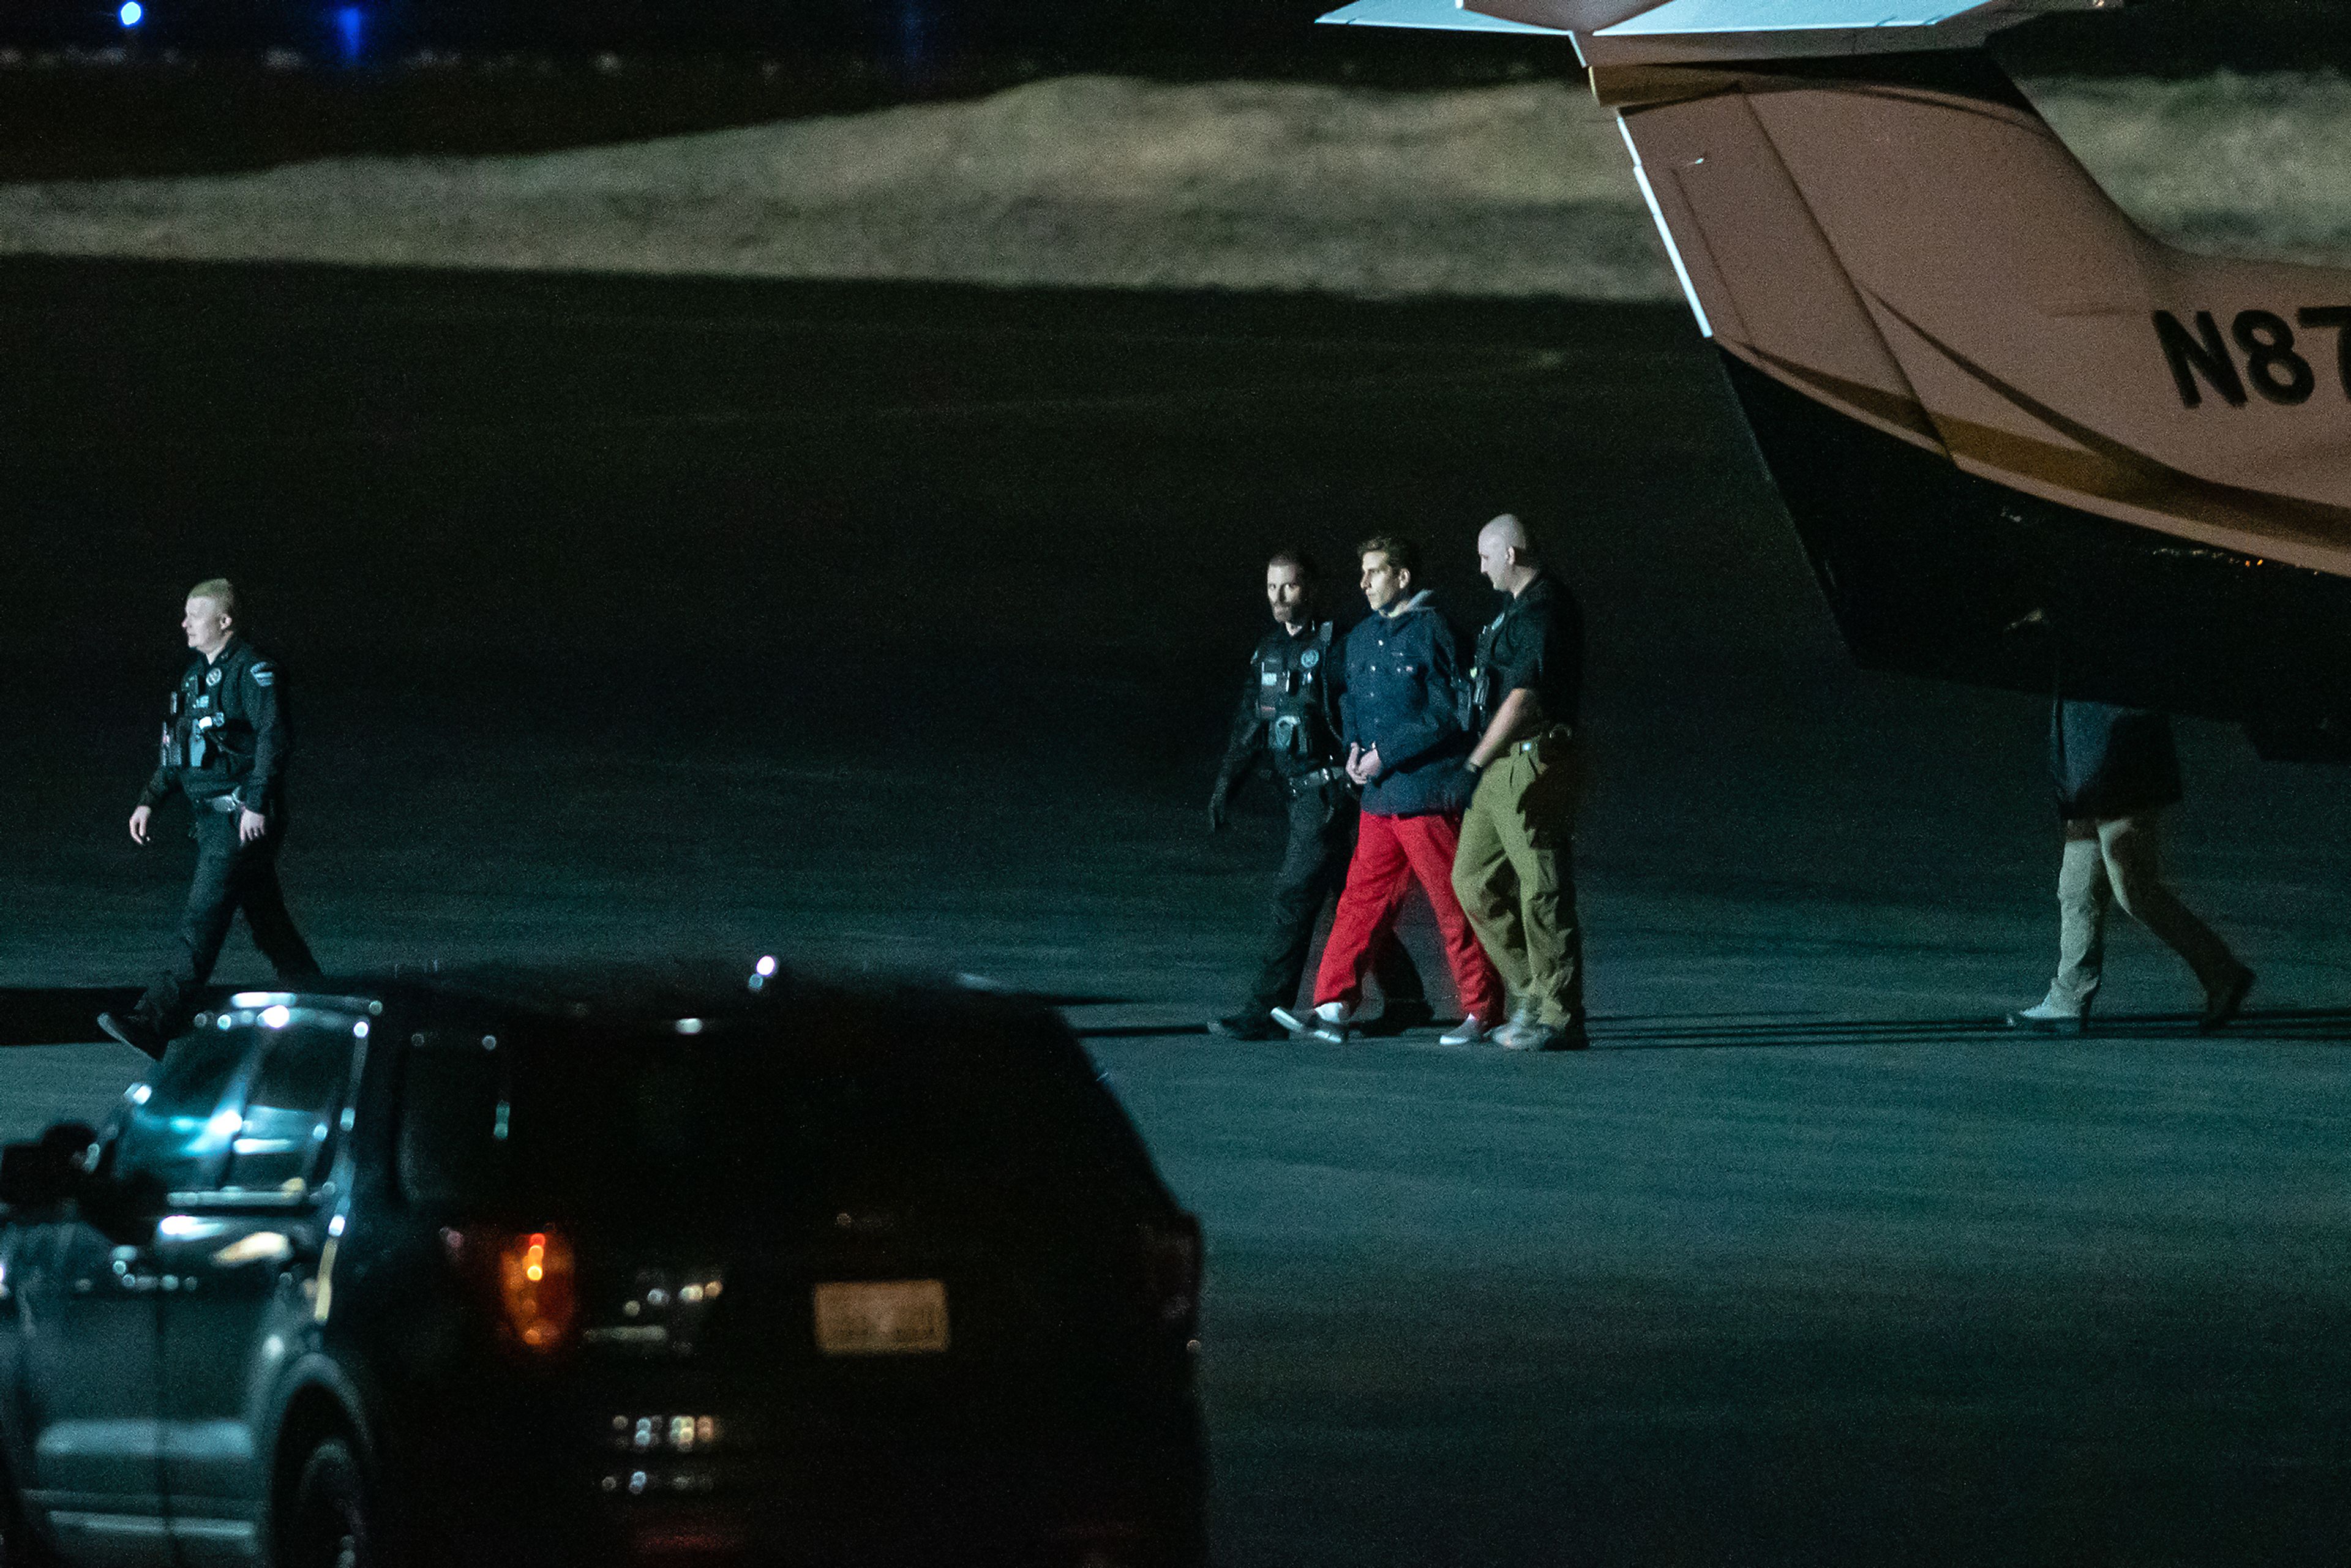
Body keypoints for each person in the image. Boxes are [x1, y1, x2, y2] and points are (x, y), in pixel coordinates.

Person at [1277, 537, 1505, 1045]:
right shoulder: (1360, 639)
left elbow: (1450, 711)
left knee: (1454, 902)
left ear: (1403, 578)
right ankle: (1333, 1003)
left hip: (1425, 796)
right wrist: (1357, 749)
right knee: (1360, 900)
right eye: (1362, 572)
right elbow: (1351, 701)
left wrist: (1387, 752)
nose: (1363, 582)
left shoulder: (1434, 631)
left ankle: (1484, 1007)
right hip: (1380, 798)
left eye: (1375, 572)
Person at [1208, 550, 1431, 1040]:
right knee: (1349, 901)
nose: (1278, 597)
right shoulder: (1269, 650)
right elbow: (1251, 722)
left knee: (1293, 897)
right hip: (1297, 796)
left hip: (1328, 796)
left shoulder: (1337, 647)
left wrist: (1368, 763)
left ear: (1309, 588)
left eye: (1288, 586)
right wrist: (1228, 782)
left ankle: (1266, 1009)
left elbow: (1367, 706)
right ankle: (1409, 998)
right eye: (1271, 587)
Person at [99, 580, 323, 1058]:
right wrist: (150, 799)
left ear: (224, 621)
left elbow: (273, 738)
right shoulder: (194, 677)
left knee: (201, 922)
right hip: (213, 821)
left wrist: (257, 804)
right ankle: (322, 1006)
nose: (184, 624)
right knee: (270, 925)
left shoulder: (254, 672)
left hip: (238, 820)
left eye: (193, 615)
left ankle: (154, 1021)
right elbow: (178, 749)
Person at [2006, 698, 2254, 1035]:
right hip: (2085, 722)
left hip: (2120, 727)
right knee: (2078, 880)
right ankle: (2068, 998)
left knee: (2132, 884)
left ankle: (2222, 972)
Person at [1452, 513, 1589, 1051]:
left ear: (1510, 554)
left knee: (1542, 889)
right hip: (1501, 764)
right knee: (1473, 881)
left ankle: (1560, 1014)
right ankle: (1531, 991)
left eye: (1486, 557)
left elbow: (1525, 697)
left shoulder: (1544, 609)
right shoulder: (1512, 611)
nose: (1480, 568)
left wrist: (1472, 763)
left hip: (1531, 762)